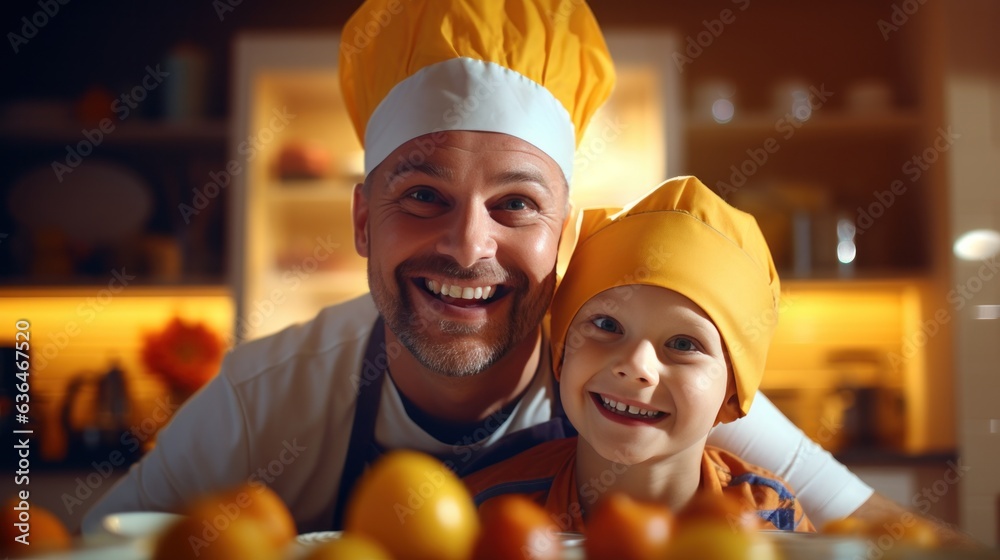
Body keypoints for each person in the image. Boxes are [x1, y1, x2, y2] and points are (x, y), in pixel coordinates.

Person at [82, 0, 967, 544]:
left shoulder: (639, 370)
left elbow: (877, 531)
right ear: (361, 217)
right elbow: (91, 544)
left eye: (515, 205)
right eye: (423, 193)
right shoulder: (263, 397)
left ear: (563, 235)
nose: (469, 248)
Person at [464, 175, 814, 533]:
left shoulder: (771, 518)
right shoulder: (487, 516)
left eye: (683, 345)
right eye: (606, 324)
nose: (635, 366)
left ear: (732, 395)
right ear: (562, 352)